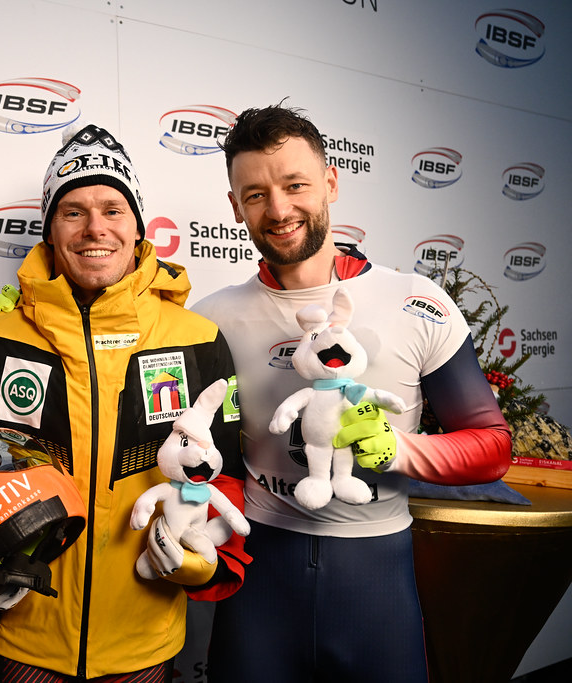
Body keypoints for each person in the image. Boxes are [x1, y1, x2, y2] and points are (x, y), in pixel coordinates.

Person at [191, 103, 512, 682]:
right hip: (262, 579)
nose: (280, 209)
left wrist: (397, 449)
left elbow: (492, 446)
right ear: (236, 207)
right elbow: (200, 456)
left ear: (331, 183)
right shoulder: (211, 319)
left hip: (376, 579)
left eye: (295, 185)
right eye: (256, 194)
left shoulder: (416, 300)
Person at [0, 123, 252, 682]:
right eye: (73, 211)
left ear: (137, 225)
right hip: (23, 637)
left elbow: (226, 472)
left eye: (113, 209)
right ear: (49, 230)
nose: (95, 229)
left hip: (143, 637)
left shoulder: (198, 338)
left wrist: (204, 560)